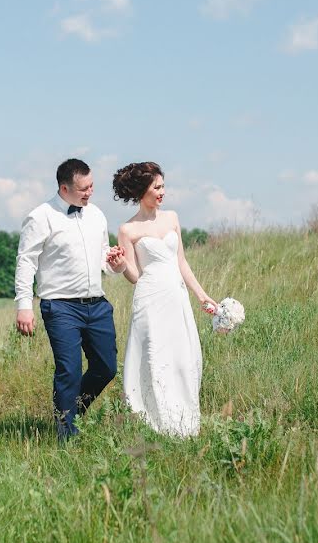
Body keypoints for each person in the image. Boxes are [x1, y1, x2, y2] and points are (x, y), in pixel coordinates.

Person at [14, 158, 126, 440]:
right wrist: (24, 306)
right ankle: (66, 435)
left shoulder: (97, 215)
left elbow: (103, 258)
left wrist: (114, 263)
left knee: (106, 367)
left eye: (91, 186)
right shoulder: (41, 216)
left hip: (97, 304)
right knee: (70, 370)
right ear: (64, 188)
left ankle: (73, 410)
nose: (89, 192)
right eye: (83, 188)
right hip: (60, 306)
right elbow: (26, 261)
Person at [111, 162, 216, 437]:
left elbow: (181, 262)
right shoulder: (128, 229)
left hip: (176, 298)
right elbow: (135, 275)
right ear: (141, 190)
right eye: (157, 187)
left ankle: (184, 423)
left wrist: (202, 296)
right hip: (149, 299)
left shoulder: (171, 218)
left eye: (162, 186)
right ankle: (153, 423)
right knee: (155, 358)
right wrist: (121, 265)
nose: (162, 192)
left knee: (183, 358)